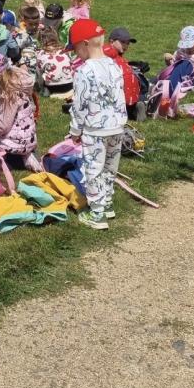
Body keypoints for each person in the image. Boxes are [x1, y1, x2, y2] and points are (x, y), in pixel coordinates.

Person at [68, 19, 127, 231]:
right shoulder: (114, 65)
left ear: (84, 44)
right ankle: (107, 202)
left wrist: (75, 130)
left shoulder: (84, 71)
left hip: (95, 129)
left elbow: (80, 104)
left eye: (75, 48)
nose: (76, 53)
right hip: (117, 126)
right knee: (110, 166)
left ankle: (97, 213)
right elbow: (120, 95)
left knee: (93, 169)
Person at [0, 54, 40, 171]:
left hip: (14, 145)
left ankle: (19, 159)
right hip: (22, 139)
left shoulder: (8, 94)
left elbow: (2, 127)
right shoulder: (6, 87)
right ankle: (24, 156)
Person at [104, 26, 145, 120]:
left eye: (128, 43)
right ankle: (136, 108)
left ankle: (134, 109)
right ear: (111, 41)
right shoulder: (108, 52)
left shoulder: (117, 57)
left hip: (122, 98)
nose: (126, 46)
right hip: (122, 97)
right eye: (122, 42)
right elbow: (104, 52)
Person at [35, 31, 74, 95]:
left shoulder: (41, 54)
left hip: (52, 87)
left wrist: (40, 85)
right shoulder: (64, 51)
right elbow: (71, 65)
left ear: (41, 41)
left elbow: (39, 73)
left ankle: (45, 90)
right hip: (69, 84)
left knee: (43, 73)